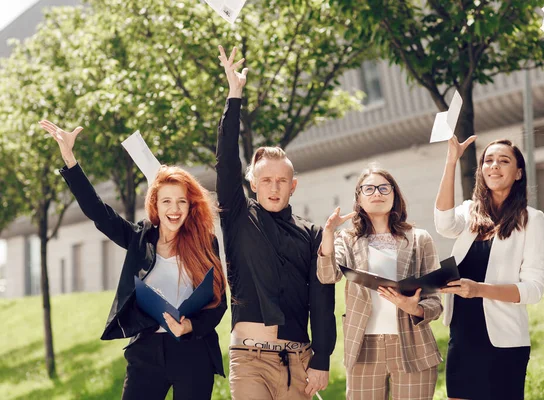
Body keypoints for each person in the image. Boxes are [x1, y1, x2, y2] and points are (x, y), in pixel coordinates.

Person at [39, 120, 227, 400]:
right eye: (166, 201)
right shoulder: (140, 238)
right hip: (147, 351)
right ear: (155, 204)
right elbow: (100, 214)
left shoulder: (205, 242)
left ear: (190, 205)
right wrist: (70, 160)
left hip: (193, 350)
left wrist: (188, 326)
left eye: (181, 202)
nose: (174, 209)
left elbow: (217, 303)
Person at [215, 45, 336, 400]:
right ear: (253, 184)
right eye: (265, 180)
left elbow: (322, 300)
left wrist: (323, 359)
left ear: (293, 185)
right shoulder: (238, 215)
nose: (273, 187)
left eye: (281, 180)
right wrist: (234, 97)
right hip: (248, 358)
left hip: (298, 361)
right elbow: (225, 164)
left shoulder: (312, 234)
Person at [435, 136, 544, 400]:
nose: (494, 166)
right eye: (488, 160)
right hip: (462, 337)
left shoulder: (531, 220)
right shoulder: (469, 213)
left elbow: (533, 290)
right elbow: (443, 223)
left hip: (504, 342)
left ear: (518, 173)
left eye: (503, 161)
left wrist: (479, 290)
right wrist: (451, 161)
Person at [317, 165, 442, 400]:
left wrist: (413, 307)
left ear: (395, 196)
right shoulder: (348, 239)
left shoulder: (419, 239)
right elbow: (327, 276)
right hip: (364, 347)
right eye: (369, 188)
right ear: (359, 198)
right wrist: (328, 234)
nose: (377, 193)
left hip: (413, 345)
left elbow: (435, 300)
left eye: (384, 188)